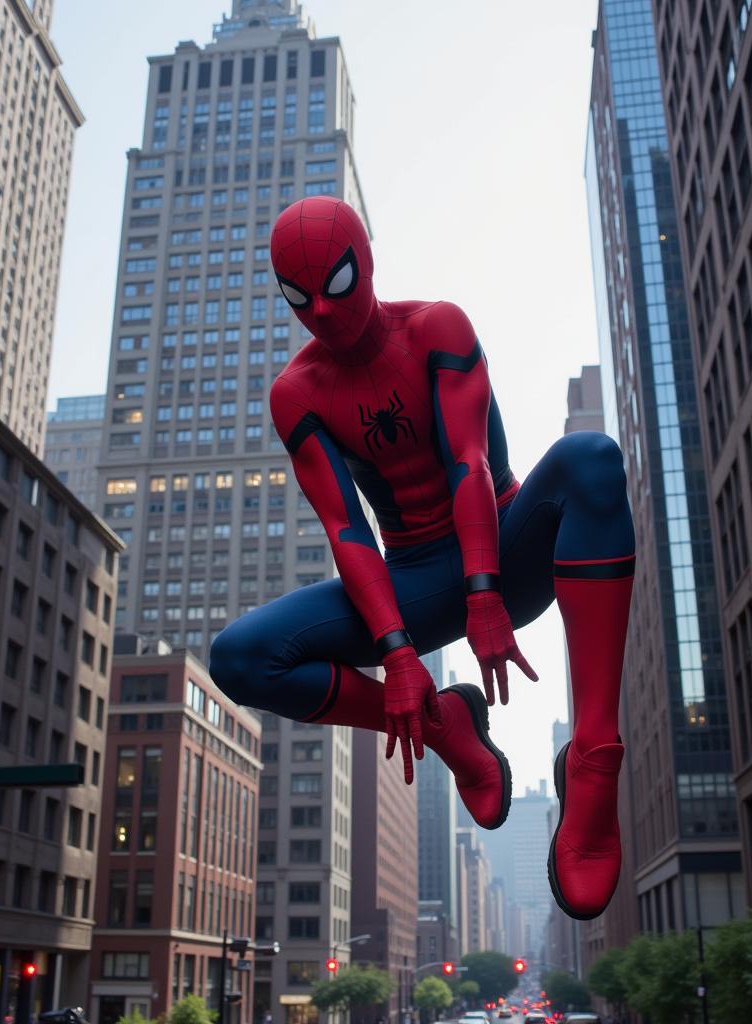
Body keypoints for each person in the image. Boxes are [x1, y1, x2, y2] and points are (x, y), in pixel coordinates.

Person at [209, 197, 635, 919]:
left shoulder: (437, 326)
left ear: (366, 262)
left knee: (589, 458)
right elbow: (347, 530)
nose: (321, 311)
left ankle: (594, 760)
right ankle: (444, 727)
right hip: (409, 582)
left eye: (336, 284)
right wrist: (399, 656)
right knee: (240, 659)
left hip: (504, 546)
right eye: (297, 297)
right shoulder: (297, 393)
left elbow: (469, 460)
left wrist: (485, 595)